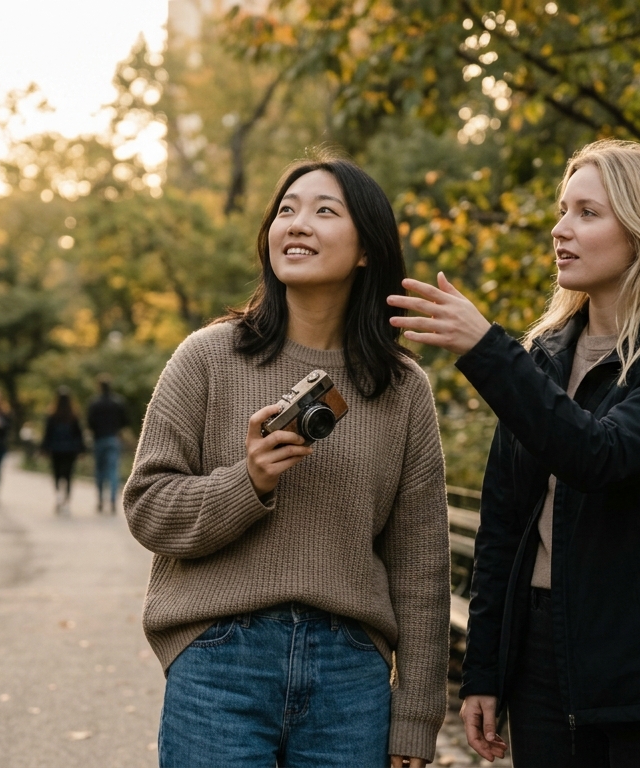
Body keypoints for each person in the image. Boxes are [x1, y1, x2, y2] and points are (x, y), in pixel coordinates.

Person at [388, 139, 640, 767]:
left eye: (588, 213)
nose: (561, 230)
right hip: (542, 660)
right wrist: (486, 670)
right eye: (563, 211)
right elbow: (504, 524)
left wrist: (487, 349)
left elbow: (601, 456)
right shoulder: (544, 360)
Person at [125, 155, 450, 768]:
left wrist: (415, 717)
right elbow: (148, 510)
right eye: (286, 210)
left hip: (350, 676)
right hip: (220, 662)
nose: (297, 224)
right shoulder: (208, 357)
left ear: (365, 250)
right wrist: (248, 481)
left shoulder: (401, 388)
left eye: (325, 211)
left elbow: (421, 564)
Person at [40, 387, 86, 513]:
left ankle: (59, 495)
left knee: (57, 473)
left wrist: (44, 449)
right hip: (70, 450)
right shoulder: (74, 416)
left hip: (56, 449)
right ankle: (66, 498)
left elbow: (47, 434)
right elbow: (79, 434)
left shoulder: (52, 415)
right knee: (68, 474)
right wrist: (82, 450)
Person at [87, 376, 128, 513]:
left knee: (99, 470)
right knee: (113, 470)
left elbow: (90, 423)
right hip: (113, 439)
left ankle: (100, 499)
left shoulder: (94, 403)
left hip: (99, 439)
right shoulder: (117, 402)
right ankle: (112, 501)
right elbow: (124, 421)